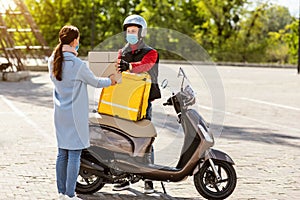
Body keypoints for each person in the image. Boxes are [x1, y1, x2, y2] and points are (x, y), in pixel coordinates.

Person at [48, 25, 117, 200]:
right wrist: (111, 80)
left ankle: (61, 192)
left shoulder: (52, 60)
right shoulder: (78, 65)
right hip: (75, 117)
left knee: (62, 153)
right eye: (78, 39)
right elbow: (95, 82)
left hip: (60, 115)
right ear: (74, 41)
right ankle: (70, 194)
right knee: (74, 154)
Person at [113, 14, 161, 194]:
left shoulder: (151, 52)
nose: (130, 33)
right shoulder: (121, 52)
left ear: (141, 33)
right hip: (124, 100)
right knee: (123, 138)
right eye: (128, 30)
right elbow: (116, 67)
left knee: (145, 138)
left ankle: (149, 180)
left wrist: (129, 67)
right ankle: (124, 177)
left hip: (143, 102)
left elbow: (145, 66)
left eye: (134, 31)